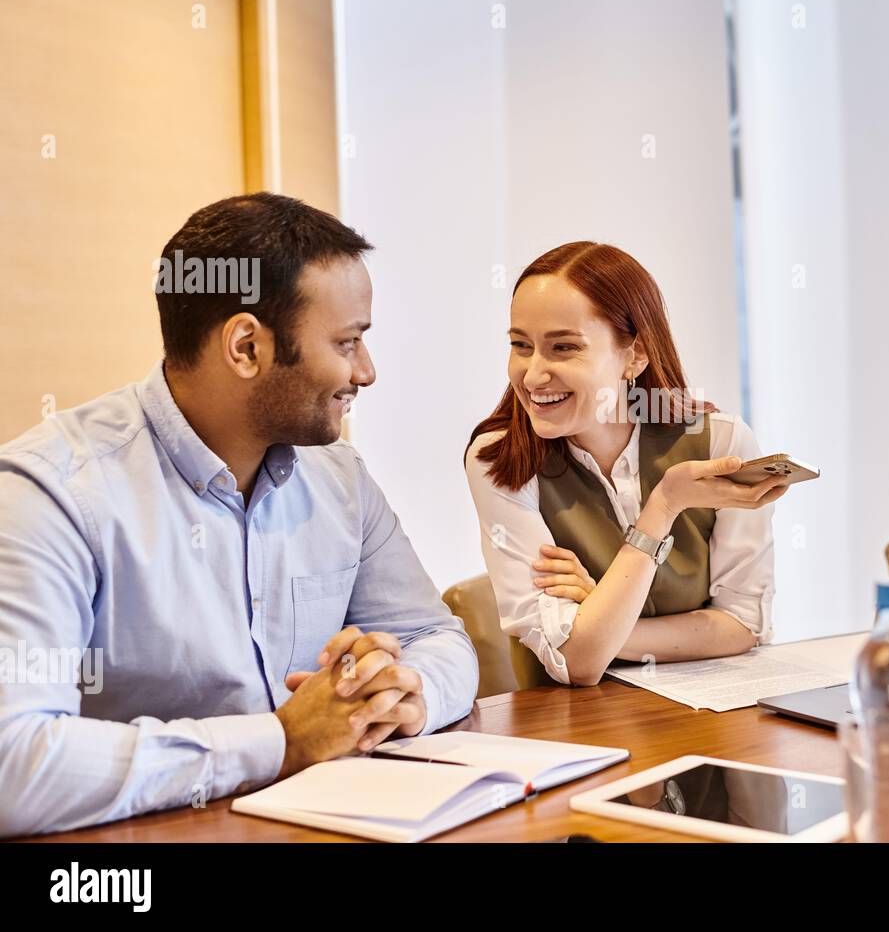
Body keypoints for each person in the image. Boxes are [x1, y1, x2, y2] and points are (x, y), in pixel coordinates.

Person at [0, 193, 478, 838]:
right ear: (247, 346)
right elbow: (15, 765)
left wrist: (399, 693)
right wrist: (279, 740)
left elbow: (435, 637)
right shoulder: (51, 493)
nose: (367, 372)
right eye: (347, 342)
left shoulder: (338, 476)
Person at [465, 242, 786, 687]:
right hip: (582, 727)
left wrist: (601, 614)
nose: (534, 375)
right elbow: (578, 661)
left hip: (715, 713)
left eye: (563, 348)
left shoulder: (720, 442)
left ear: (634, 355)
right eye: (521, 345)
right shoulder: (499, 460)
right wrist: (664, 506)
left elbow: (743, 624)